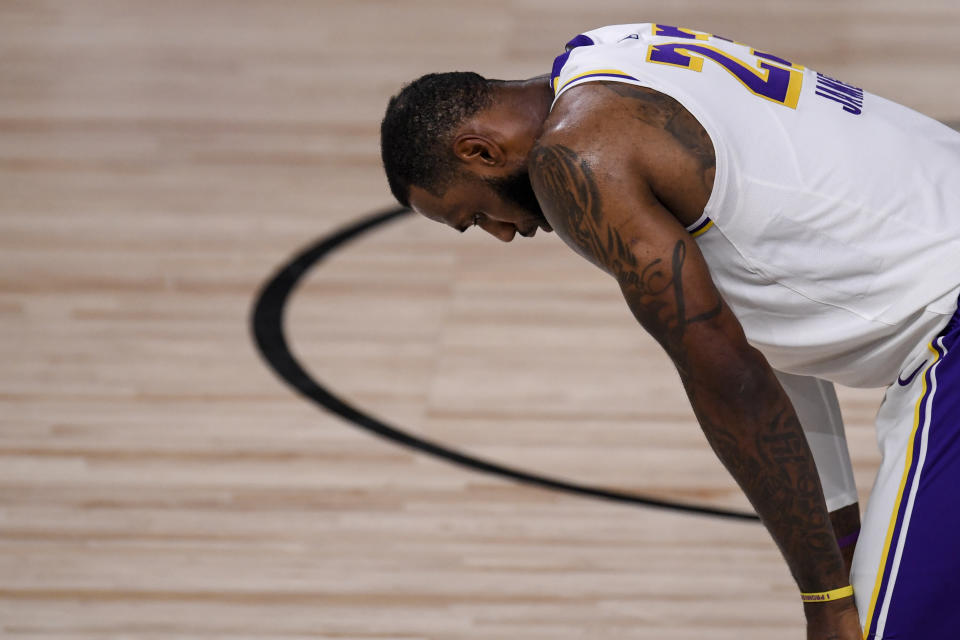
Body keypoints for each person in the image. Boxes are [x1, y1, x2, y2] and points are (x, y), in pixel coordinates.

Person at [379, 23, 960, 640]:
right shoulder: (610, 51)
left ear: (479, 152)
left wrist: (826, 601)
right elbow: (760, 351)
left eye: (473, 217)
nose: (501, 233)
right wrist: (838, 545)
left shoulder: (578, 159)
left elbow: (730, 382)